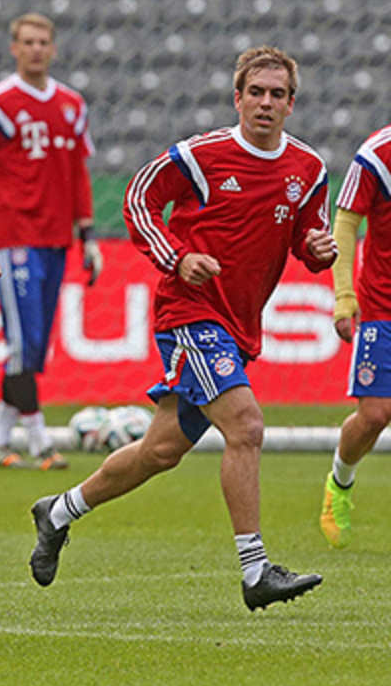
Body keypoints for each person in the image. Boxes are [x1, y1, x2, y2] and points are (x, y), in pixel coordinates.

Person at [27, 46, 337, 611]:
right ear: (237, 97)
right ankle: (255, 571)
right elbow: (138, 199)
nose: (265, 103)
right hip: (190, 313)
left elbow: (306, 242)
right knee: (246, 425)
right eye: (255, 92)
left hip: (238, 325)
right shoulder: (200, 156)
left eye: (277, 94)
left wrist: (319, 249)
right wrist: (177, 257)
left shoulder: (308, 169)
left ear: (291, 104)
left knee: (160, 451)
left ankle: (60, 511)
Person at [0, 12, 100, 471]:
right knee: (21, 343)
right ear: (14, 48)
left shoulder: (72, 105)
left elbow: (78, 172)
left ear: (53, 48)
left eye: (42, 42)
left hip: (57, 239)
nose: (35, 49)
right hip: (13, 240)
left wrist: (88, 237)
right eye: (27, 42)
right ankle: (39, 440)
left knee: (33, 347)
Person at [320, 123, 391, 548]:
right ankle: (339, 485)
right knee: (375, 415)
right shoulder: (378, 153)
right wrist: (344, 296)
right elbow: (346, 223)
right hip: (383, 305)